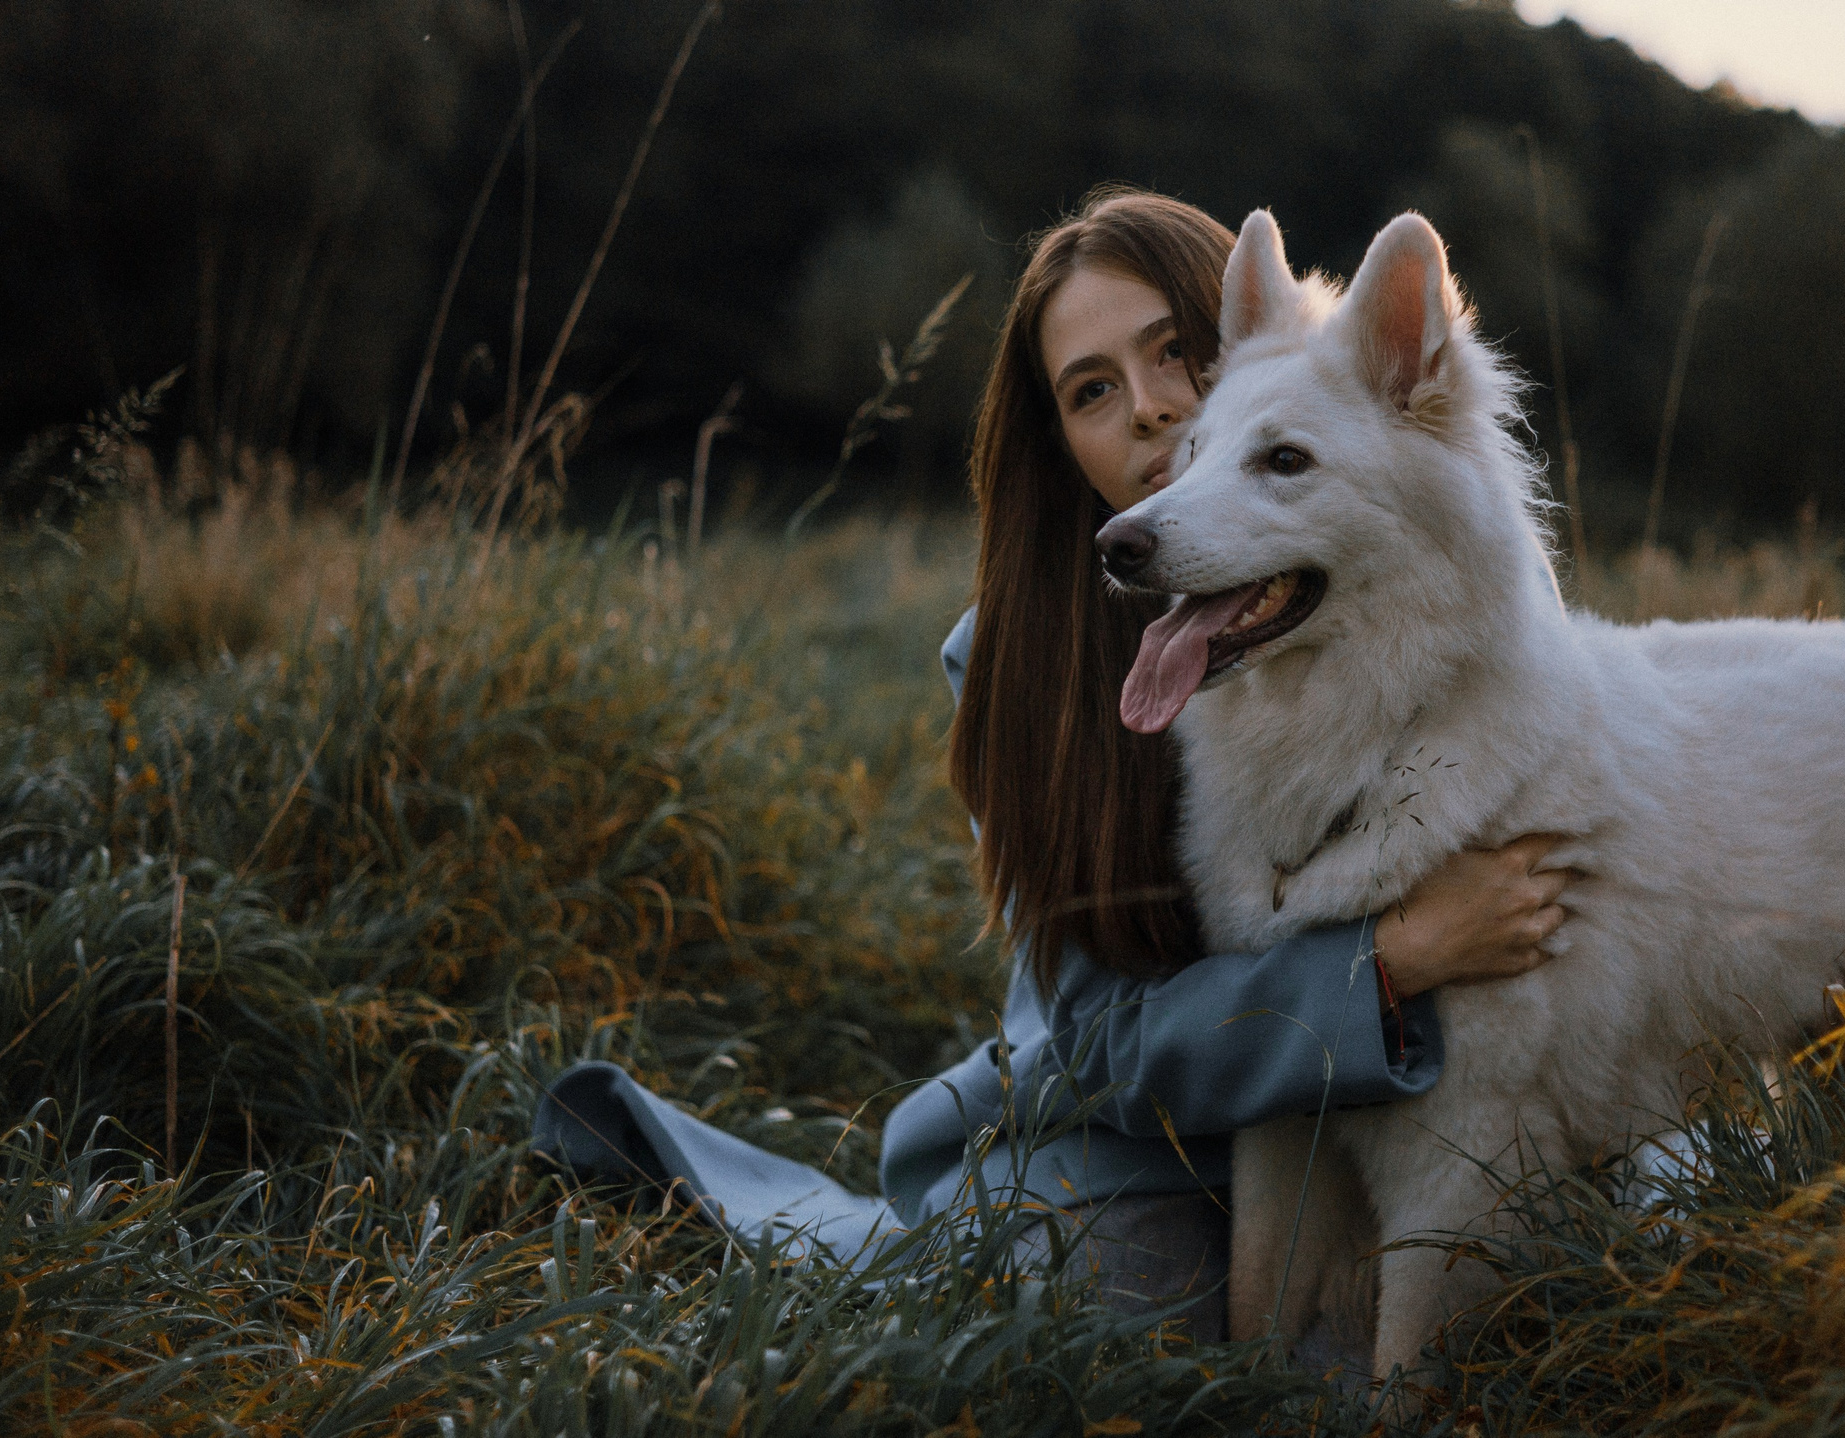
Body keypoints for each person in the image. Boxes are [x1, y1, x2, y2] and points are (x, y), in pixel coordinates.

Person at [533, 189, 1569, 1346]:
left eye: (1178, 353)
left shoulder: (1432, 590)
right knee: (1113, 1341)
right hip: (1128, 1141)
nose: (1151, 413)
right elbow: (1095, 1044)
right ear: (1058, 439)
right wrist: (1393, 960)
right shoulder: (1013, 661)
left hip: (1375, 1110)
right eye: (1091, 391)